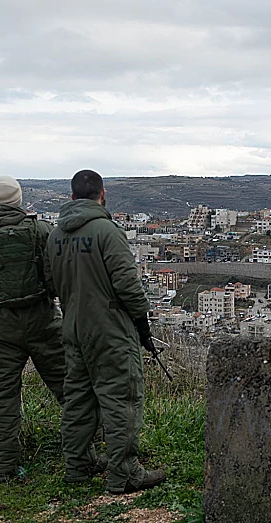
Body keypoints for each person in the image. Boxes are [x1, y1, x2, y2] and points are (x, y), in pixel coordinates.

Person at [0, 176, 92, 483]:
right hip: (42, 320)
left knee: (0, 398)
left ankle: (4, 469)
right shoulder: (41, 231)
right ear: (19, 199)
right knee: (70, 388)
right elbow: (57, 275)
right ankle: (87, 455)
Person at [45, 169, 166, 492]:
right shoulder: (107, 232)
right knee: (120, 398)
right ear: (103, 195)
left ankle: (78, 465)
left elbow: (51, 282)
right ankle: (124, 473)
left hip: (72, 326)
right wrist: (141, 320)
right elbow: (127, 285)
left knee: (78, 399)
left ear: (71, 198)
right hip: (110, 328)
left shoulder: (55, 236)